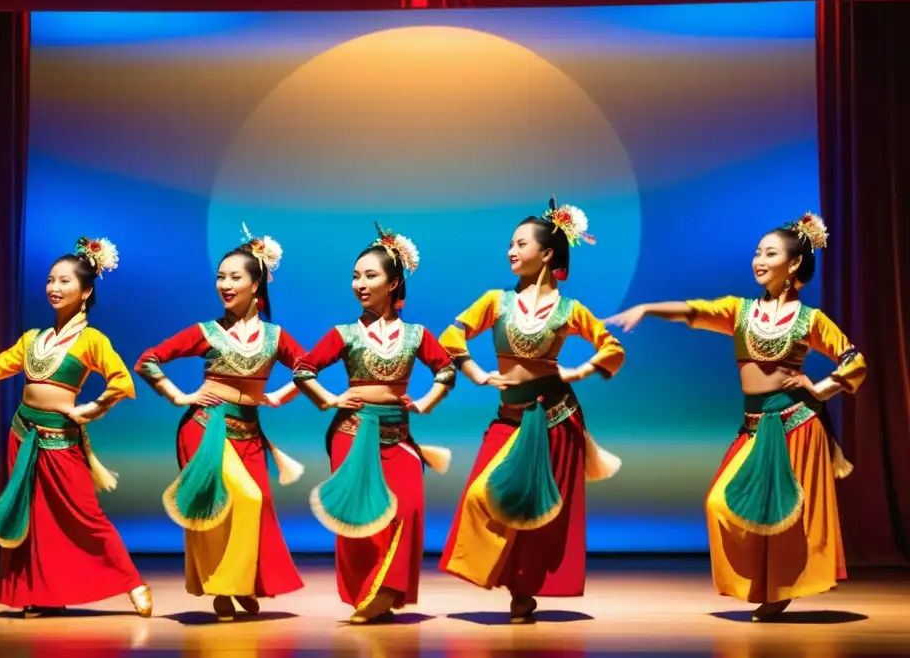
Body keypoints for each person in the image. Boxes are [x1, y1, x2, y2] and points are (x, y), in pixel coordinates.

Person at [605, 212, 867, 621]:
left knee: (784, 515)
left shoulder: (809, 320)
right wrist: (649, 308)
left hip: (796, 423)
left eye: (770, 253)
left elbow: (854, 360)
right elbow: (693, 311)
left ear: (794, 264)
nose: (758, 259)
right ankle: (763, 588)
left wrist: (822, 388)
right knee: (720, 504)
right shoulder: (739, 312)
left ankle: (777, 593)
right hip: (754, 426)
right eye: (757, 252)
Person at [0, 237, 152, 618]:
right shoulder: (33, 339)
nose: (54, 287)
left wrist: (91, 409)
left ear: (85, 292)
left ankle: (131, 581)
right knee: (32, 518)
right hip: (23, 436)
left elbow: (122, 382)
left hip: (60, 441)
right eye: (51, 279)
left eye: (65, 281)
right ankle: (38, 592)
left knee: (86, 514)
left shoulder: (91, 340)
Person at [438, 198, 625, 623]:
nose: (511, 251)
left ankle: (523, 593)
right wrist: (477, 373)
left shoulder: (569, 309)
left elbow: (612, 347)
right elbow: (453, 334)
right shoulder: (495, 301)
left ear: (547, 254)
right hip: (510, 416)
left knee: (536, 513)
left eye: (521, 244)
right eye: (510, 243)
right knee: (481, 494)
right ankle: (497, 574)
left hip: (555, 417)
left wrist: (583, 369)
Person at [134, 225, 306, 621]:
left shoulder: (276, 336)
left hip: (248, 433)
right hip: (205, 427)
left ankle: (238, 582)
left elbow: (308, 369)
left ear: (256, 284)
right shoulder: (206, 332)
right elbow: (148, 359)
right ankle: (224, 585)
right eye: (220, 276)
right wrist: (180, 396)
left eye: (235, 277)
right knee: (239, 500)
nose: (224, 284)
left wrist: (279, 396)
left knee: (250, 506)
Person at [293, 224, 455, 624]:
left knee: (410, 509)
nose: (359, 284)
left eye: (370, 275)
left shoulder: (416, 335)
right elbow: (303, 371)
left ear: (393, 282)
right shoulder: (344, 334)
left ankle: (386, 590)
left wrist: (425, 404)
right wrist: (331, 399)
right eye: (355, 276)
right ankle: (370, 594)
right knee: (360, 519)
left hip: (398, 436)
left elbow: (446, 370)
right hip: (352, 433)